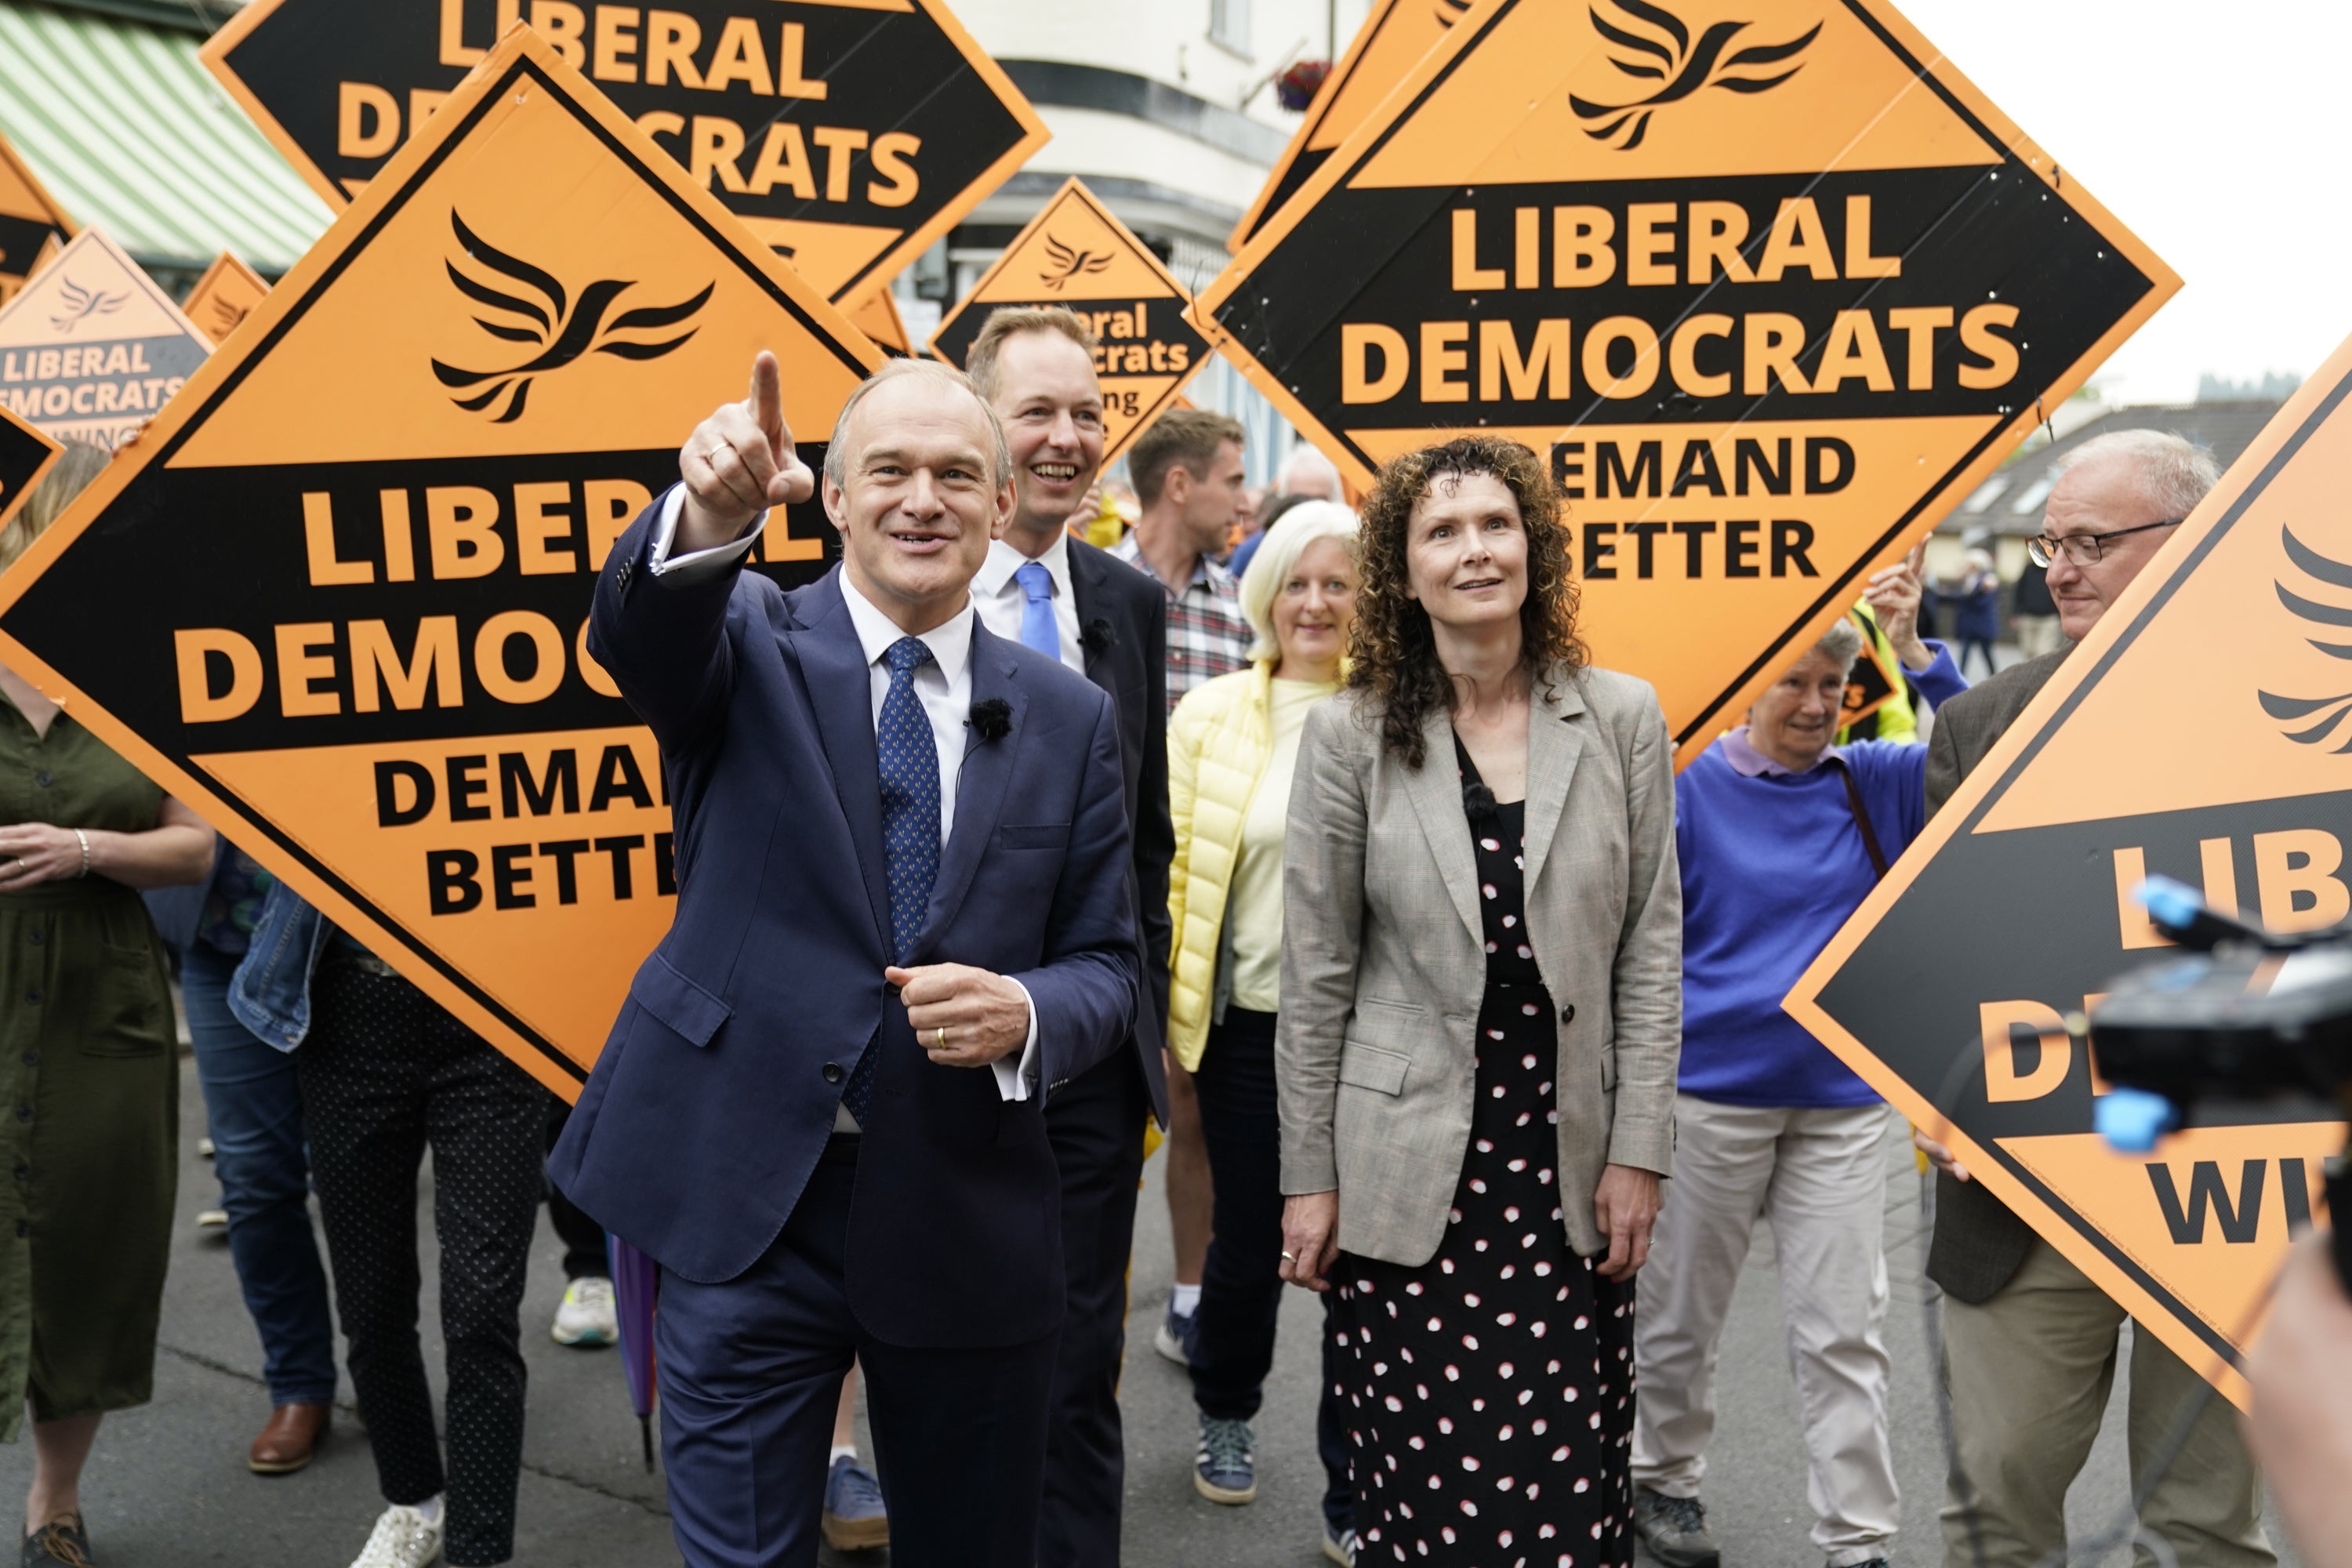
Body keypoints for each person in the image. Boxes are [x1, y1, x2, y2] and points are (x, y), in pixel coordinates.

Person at [549, 354, 1141, 1567]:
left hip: (964, 1204)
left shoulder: (1072, 717)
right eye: (891, 471)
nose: (923, 499)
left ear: (1000, 503)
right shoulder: (748, 640)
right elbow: (639, 630)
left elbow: (1109, 967)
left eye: (955, 475)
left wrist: (1027, 1010)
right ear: (832, 497)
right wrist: (709, 510)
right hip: (744, 1202)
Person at [1276, 436, 1680, 1566]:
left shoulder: (1621, 717)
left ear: (1534, 550)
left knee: (1561, 1489)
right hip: (1405, 1172)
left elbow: (1650, 951)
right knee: (1423, 1490)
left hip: (1570, 1167)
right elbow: (1315, 981)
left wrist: (1641, 1147)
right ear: (1403, 575)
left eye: (1496, 525)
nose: (1473, 550)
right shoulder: (1347, 738)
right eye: (1441, 532)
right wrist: (1307, 1183)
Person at [1911, 429, 2270, 1568]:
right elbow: (1936, 952)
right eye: (2049, 542)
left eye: (2091, 542)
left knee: (2205, 1526)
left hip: (2230, 1183)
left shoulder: (2303, 724)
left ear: (2197, 540)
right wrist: (1936, 1083)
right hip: (2024, 1188)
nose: (2057, 568)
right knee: (1996, 1507)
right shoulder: (1981, 724)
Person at [1629, 563, 1964, 1568]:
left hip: (1843, 1103)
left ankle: (1857, 1540)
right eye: (1794, 683)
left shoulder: (1880, 779)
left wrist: (1917, 656)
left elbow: (1992, 760)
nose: (1817, 704)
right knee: (1680, 1316)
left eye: (1834, 686)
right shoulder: (1685, 786)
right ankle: (1664, 1483)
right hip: (1707, 1100)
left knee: (1845, 1333)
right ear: (1746, 686)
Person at [965, 305, 1174, 1568]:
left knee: (1079, 1366)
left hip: (1092, 1059)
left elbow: (1143, 836)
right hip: (938, 1054)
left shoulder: (1130, 605)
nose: (1066, 436)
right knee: (956, 1361)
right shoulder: (910, 581)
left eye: (1086, 411)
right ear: (982, 422)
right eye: (1037, 410)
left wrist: (1138, 1014)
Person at [0, 443, 217, 1568]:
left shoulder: (138, 675)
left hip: (102, 1005)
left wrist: (88, 846)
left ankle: (56, 1505)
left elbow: (195, 848)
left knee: (84, 1258)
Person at [213, 877, 552, 1568]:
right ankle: (414, 1502)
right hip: (350, 1009)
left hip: (495, 1012)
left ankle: (477, 1551)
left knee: (483, 1307)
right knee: (371, 1300)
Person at [1164, 501, 1363, 1563]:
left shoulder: (1396, 713)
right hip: (1250, 1032)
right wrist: (1170, 1019)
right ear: (1266, 597)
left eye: (1339, 584)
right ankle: (1226, 1409)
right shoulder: (1209, 717)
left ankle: (1359, 1475)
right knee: (1247, 1246)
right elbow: (1178, 880)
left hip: (1378, 1039)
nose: (1317, 604)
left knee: (1368, 1264)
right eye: (1299, 583)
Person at [1111, 408, 1254, 1363]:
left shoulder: (1238, 613)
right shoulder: (1084, 586)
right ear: (1179, 484)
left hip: (1201, 894)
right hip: (1096, 893)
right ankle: (1081, 1299)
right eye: (1232, 480)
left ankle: (1192, 1296)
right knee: (1091, 1113)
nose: (1245, 499)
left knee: (1190, 1098)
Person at [180, 842, 341, 1473]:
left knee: (364, 1176)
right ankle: (299, 1387)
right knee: (251, 1179)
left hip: (356, 947)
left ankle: (390, 1383)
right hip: (223, 940)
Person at [1229, 443, 1345, 579]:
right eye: (1300, 501)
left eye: (1320, 501)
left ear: (1335, 501)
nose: (1312, 510)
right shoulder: (1254, 553)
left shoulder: (1351, 551)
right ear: (1283, 501)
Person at [1936, 549, 2002, 677]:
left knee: (1987, 653)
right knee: (1964, 653)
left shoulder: (1988, 580)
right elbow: (1960, 597)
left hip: (1982, 623)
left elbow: (1979, 601)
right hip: (1968, 624)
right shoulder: (1968, 580)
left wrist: (1973, 594)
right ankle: (1960, 677)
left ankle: (1994, 676)